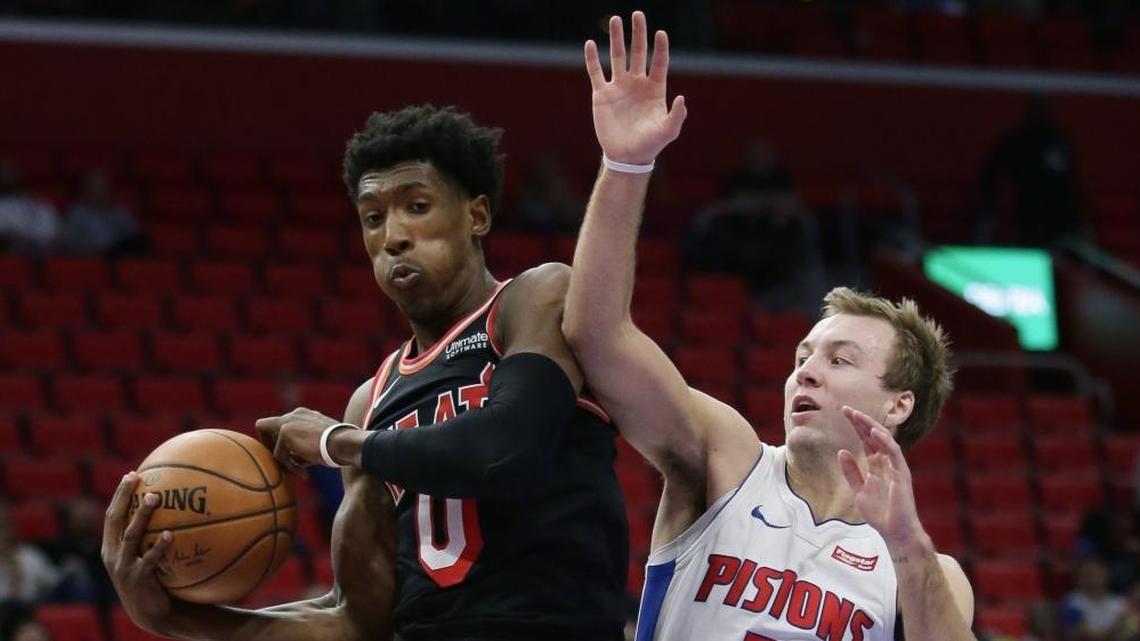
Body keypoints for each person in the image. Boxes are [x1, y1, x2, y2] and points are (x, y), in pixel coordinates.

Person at [102, 105, 629, 641]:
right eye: (373, 218)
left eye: (417, 207)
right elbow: (357, 617)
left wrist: (339, 443)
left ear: (478, 216)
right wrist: (171, 617)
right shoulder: (372, 400)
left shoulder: (533, 299)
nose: (393, 236)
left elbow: (507, 448)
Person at [564, 11, 974, 640]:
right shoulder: (727, 457)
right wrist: (626, 168)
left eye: (840, 360)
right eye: (804, 355)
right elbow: (597, 335)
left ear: (899, 405)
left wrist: (907, 546)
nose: (806, 369)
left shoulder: (926, 572)